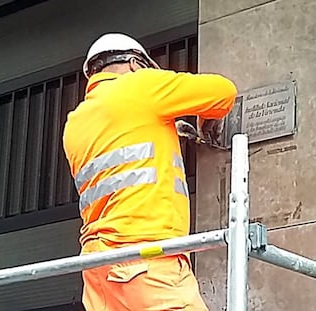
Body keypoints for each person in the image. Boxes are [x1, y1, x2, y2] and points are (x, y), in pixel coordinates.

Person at [62, 33, 237, 311]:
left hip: (97, 267)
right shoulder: (140, 85)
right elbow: (222, 92)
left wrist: (165, 127)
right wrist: (205, 119)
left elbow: (124, 153)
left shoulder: (75, 121)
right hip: (146, 257)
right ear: (134, 63)